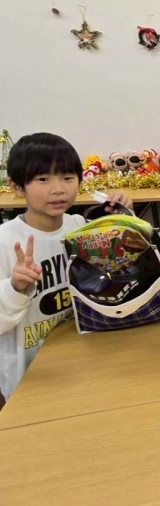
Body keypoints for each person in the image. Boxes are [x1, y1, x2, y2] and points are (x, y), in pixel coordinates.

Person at [0, 133, 132, 402]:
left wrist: (122, 223)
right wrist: (15, 287)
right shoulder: (5, 241)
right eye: (43, 179)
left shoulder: (78, 229)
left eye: (68, 177)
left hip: (80, 358)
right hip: (31, 374)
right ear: (16, 187)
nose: (58, 189)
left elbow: (115, 276)